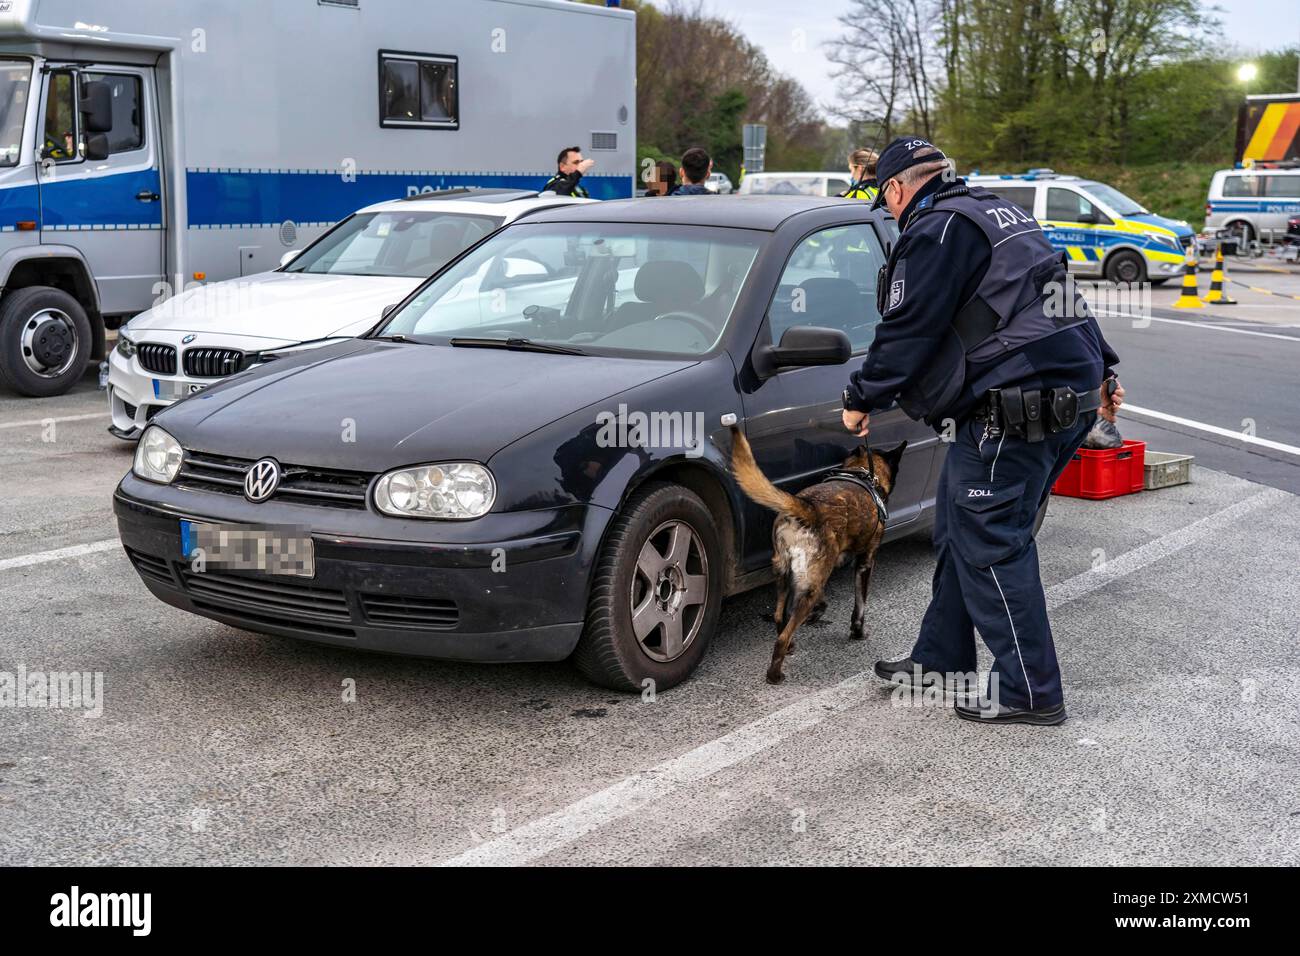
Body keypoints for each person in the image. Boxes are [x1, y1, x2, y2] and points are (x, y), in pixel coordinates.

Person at [840, 136, 1125, 727]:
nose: (889, 212)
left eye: (885, 200)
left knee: (991, 541)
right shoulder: (1002, 212)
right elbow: (1059, 290)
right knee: (957, 527)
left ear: (896, 188)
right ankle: (940, 660)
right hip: (1063, 392)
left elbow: (907, 328)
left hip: (1016, 406)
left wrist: (861, 397)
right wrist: (1105, 363)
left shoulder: (935, 230)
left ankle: (1029, 690)